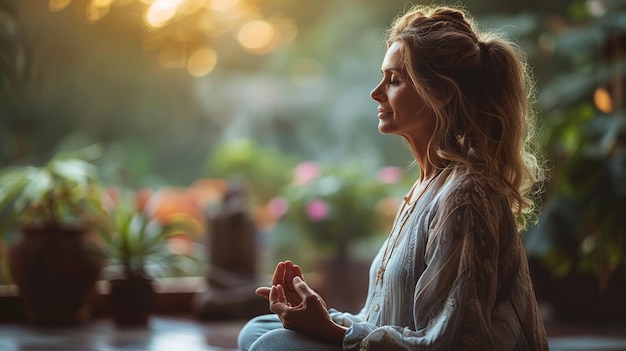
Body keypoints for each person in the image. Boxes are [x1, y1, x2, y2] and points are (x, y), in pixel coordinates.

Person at [238, 4, 549, 350]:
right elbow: (386, 320)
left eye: (394, 80)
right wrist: (322, 317)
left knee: (273, 344)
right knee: (257, 329)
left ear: (440, 92)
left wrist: (329, 332)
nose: (376, 92)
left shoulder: (465, 195)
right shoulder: (426, 187)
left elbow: (454, 342)